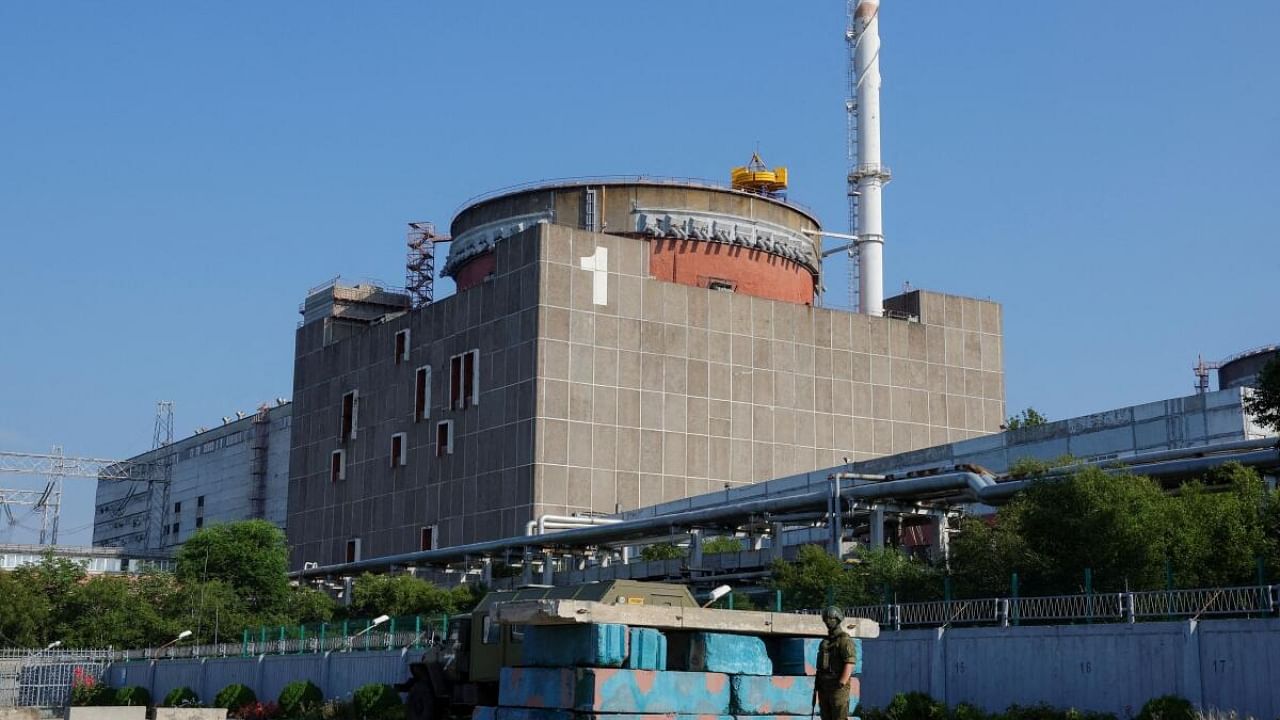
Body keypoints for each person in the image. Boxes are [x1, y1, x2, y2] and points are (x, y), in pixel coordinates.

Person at [814, 606, 857, 720]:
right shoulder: (825, 642)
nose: (827, 622)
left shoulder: (844, 640)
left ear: (837, 619)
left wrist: (841, 683)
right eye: (826, 619)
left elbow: (850, 663)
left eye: (830, 619)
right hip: (824, 686)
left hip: (837, 688)